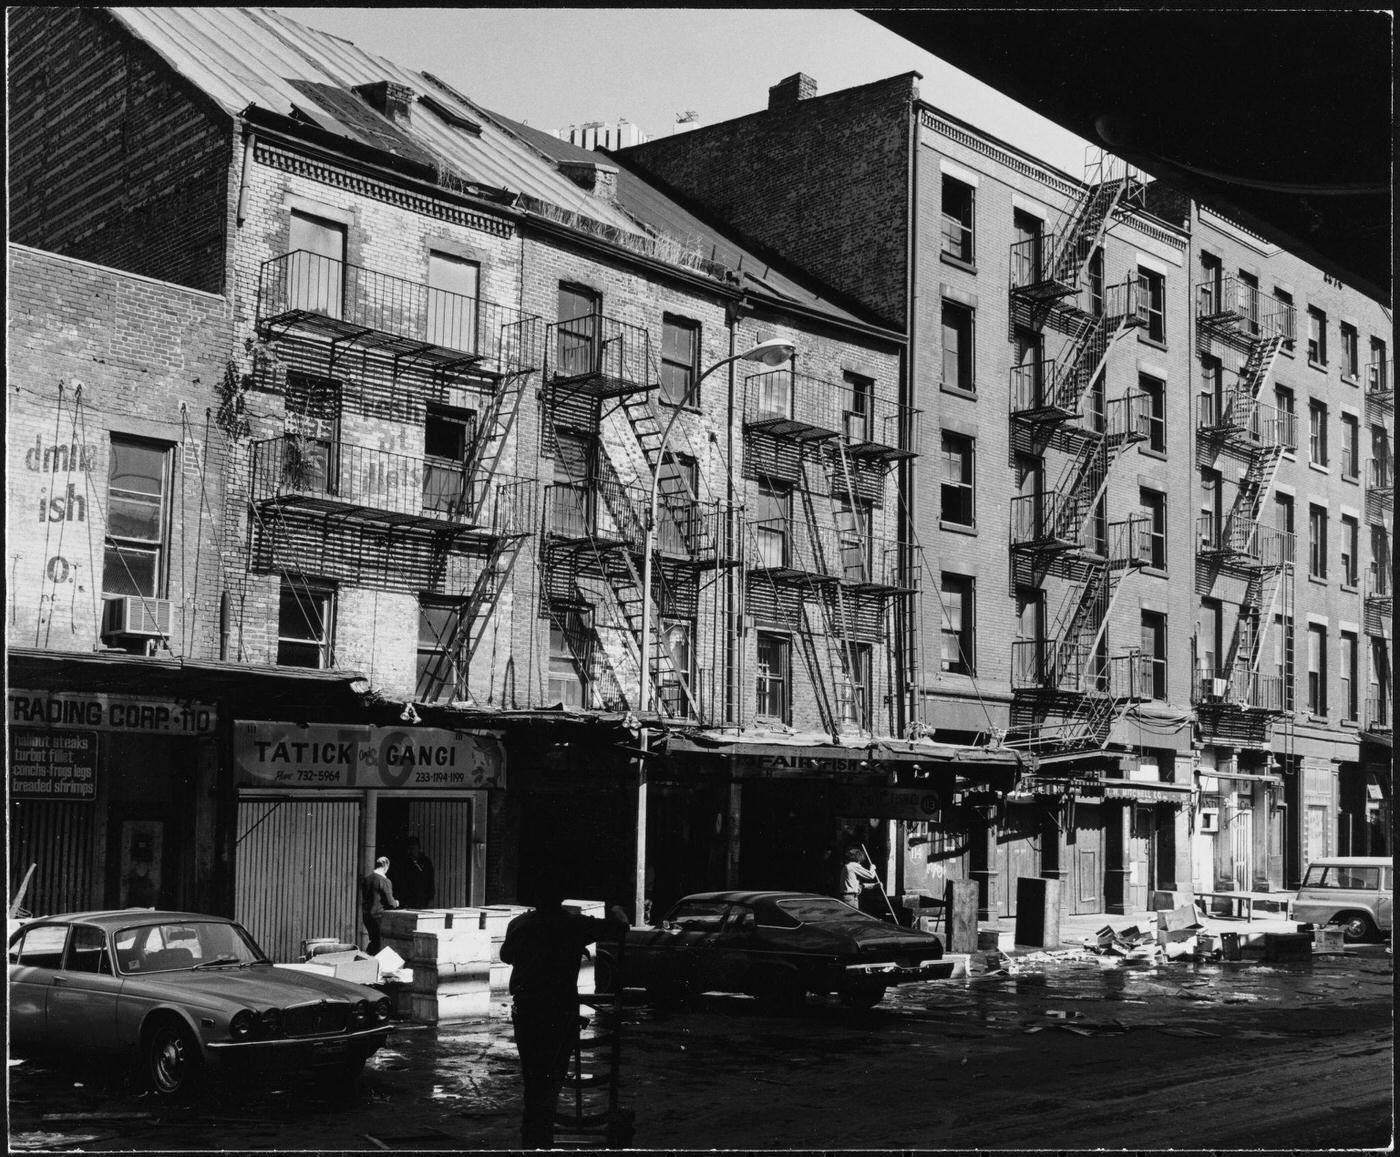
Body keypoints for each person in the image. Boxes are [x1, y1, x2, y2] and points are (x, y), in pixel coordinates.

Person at [500, 883, 629, 1149]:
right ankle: (541, 1136)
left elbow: (506, 955)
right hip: (559, 1010)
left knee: (533, 1080)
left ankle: (534, 1137)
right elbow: (618, 928)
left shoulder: (519, 924)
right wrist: (617, 909)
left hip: (527, 1010)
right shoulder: (573, 924)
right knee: (552, 1078)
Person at [360, 855, 398, 955]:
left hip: (367, 916)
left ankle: (366, 957)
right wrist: (396, 902)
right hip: (378, 917)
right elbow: (391, 903)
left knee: (373, 940)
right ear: (386, 866)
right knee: (379, 943)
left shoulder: (366, 879)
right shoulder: (384, 881)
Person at [392, 837, 435, 909]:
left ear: (418, 848)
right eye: (409, 848)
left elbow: (430, 882)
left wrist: (430, 899)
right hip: (407, 900)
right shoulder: (404, 862)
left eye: (413, 848)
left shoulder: (426, 862)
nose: (411, 851)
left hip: (422, 899)